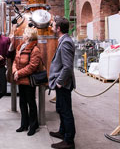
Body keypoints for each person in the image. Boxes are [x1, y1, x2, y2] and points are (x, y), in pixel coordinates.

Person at [49, 16, 76, 149]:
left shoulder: (66, 42)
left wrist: (59, 82)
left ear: (58, 28)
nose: (52, 27)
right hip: (62, 82)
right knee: (60, 108)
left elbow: (67, 66)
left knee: (66, 111)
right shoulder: (63, 40)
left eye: (53, 25)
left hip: (64, 84)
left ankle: (69, 141)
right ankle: (62, 131)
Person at [12, 27, 44, 136]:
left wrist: (18, 73)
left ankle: (33, 125)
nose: (23, 34)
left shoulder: (35, 50)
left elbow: (32, 67)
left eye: (25, 33)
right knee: (22, 103)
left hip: (29, 81)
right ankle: (24, 124)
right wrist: (15, 71)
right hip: (20, 80)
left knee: (31, 103)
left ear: (29, 36)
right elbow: (15, 61)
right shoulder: (20, 47)